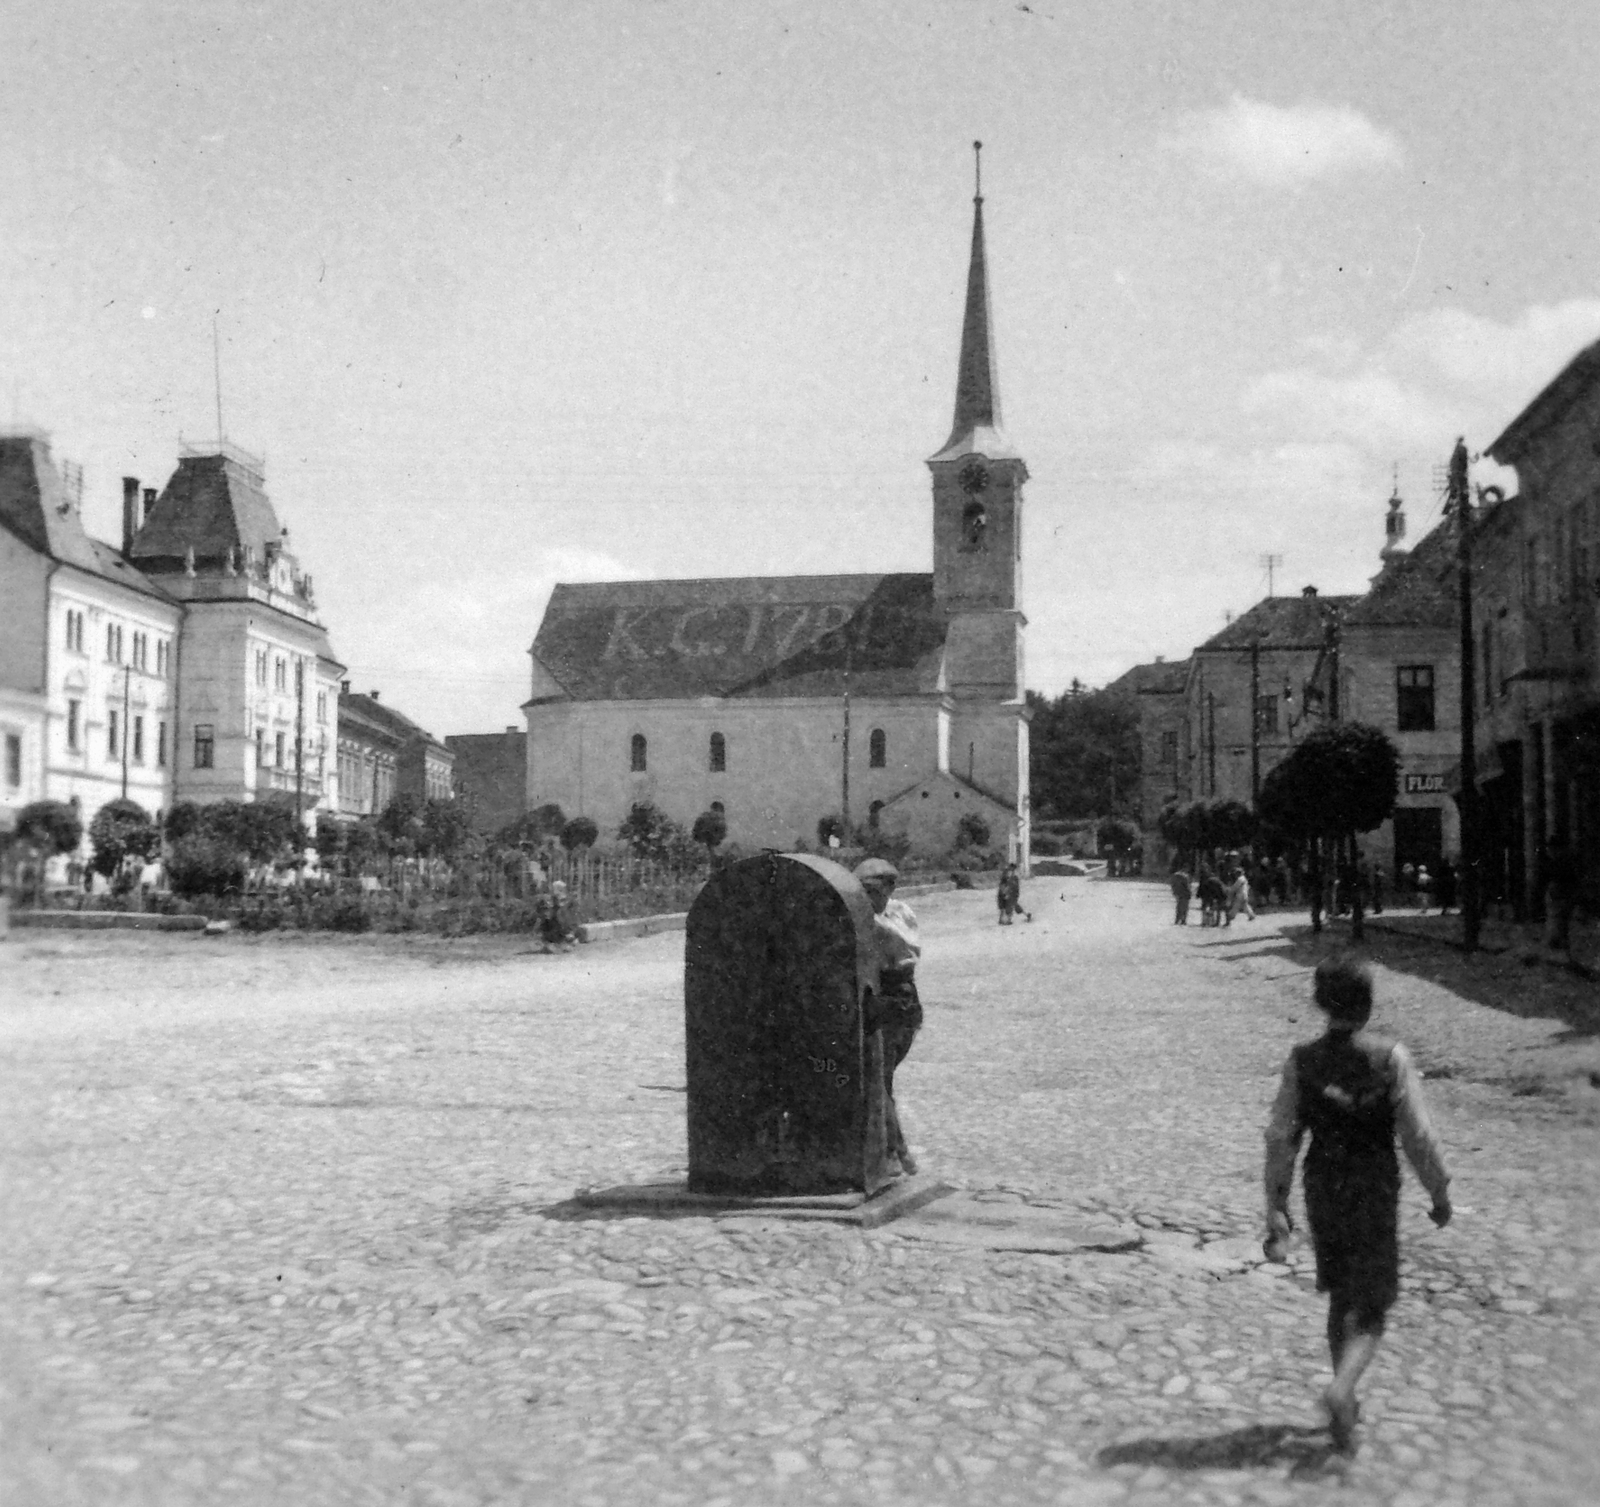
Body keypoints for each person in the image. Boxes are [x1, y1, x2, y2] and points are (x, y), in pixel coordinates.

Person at [1263, 955, 1452, 1454]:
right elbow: (1418, 1135)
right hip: (1374, 1185)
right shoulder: (1390, 1057)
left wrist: (1276, 1207)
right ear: (1369, 1005)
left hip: (1323, 1183)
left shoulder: (1301, 1060)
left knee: (1339, 1296)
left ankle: (1343, 1413)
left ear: (1320, 1003)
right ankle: (1343, 1388)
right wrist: (1439, 1190)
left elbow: (1281, 1135)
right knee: (1372, 1303)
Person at [855, 858, 922, 1176]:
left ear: (888, 889)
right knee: (881, 1080)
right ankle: (887, 1150)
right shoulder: (881, 915)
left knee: (878, 1080)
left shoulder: (894, 917)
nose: (865, 898)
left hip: (896, 1003)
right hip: (893, 1002)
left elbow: (901, 945)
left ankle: (898, 1153)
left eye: (870, 891)